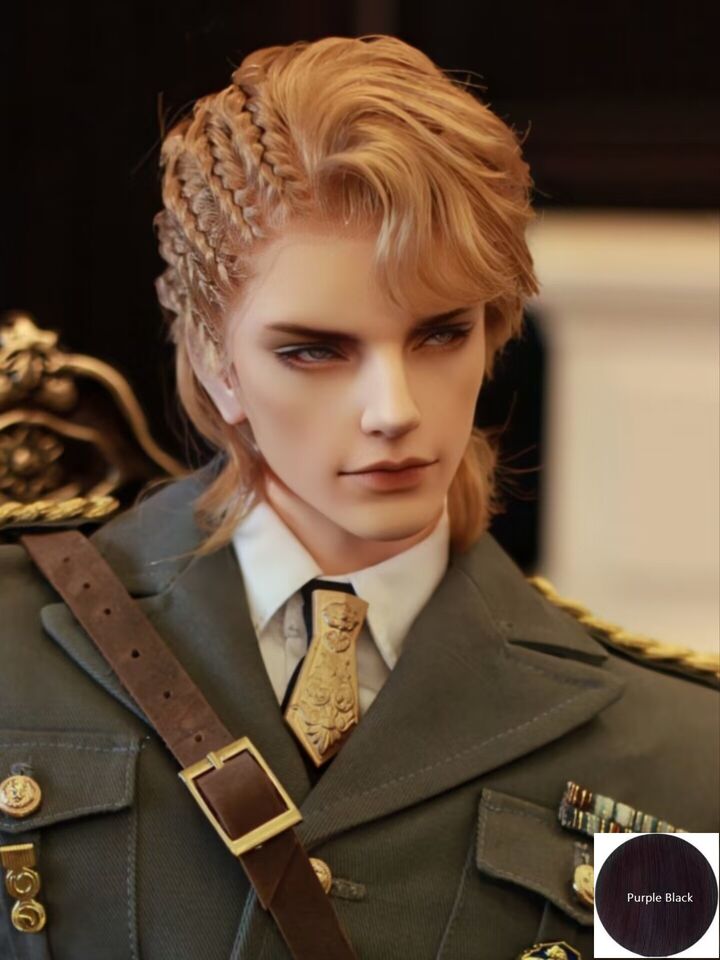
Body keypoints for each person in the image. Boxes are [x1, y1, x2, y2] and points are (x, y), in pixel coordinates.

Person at [0, 34, 717, 960]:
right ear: (215, 360)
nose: (394, 410)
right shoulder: (16, 655)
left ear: (495, 331)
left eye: (440, 334)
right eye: (313, 350)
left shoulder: (677, 756)